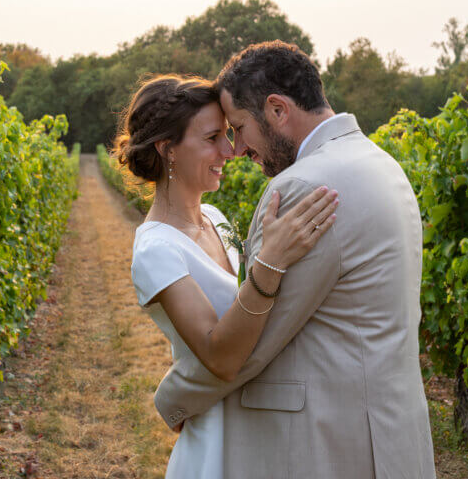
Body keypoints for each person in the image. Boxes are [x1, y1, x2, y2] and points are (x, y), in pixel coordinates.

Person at [153, 42, 437, 478]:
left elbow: (251, 344)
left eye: (240, 127)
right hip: (390, 433)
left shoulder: (305, 187)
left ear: (278, 110)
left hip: (335, 445)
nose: (240, 149)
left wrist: (173, 399)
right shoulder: (381, 163)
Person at [114, 74, 339, 479]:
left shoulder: (216, 220)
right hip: (215, 445)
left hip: (258, 428)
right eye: (212, 138)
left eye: (229, 134)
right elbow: (219, 355)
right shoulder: (156, 250)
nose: (230, 151)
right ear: (169, 151)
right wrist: (271, 260)